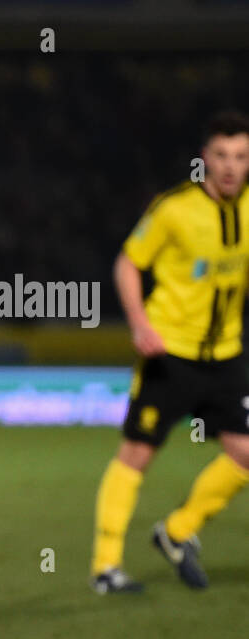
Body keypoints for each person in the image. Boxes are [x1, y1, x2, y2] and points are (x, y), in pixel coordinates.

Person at [90, 110, 249, 594]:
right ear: (205, 158)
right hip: (170, 354)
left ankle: (177, 531)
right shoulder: (174, 208)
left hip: (225, 355)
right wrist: (139, 324)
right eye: (221, 155)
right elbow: (127, 263)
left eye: (240, 156)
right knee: (137, 453)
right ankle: (106, 566)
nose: (229, 166)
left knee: (245, 454)